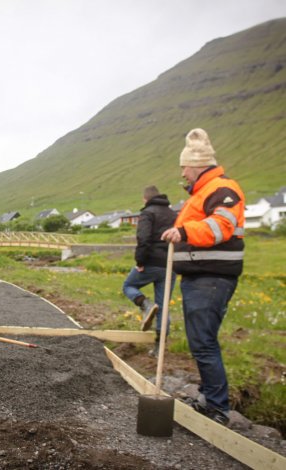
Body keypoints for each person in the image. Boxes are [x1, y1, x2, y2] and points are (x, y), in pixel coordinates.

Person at [162, 128, 245, 426]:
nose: (182, 172)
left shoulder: (223, 189)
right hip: (201, 277)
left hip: (212, 278)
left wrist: (183, 232)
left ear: (196, 166)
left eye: (184, 167)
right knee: (201, 340)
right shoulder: (201, 193)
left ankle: (217, 408)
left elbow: (221, 226)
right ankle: (210, 397)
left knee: (203, 342)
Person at [122, 185, 177, 356]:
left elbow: (143, 238)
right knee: (163, 307)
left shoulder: (147, 213)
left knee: (128, 286)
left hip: (151, 262)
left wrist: (140, 261)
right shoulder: (173, 214)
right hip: (170, 264)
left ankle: (145, 304)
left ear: (145, 199)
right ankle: (158, 348)